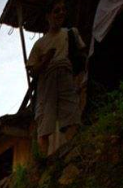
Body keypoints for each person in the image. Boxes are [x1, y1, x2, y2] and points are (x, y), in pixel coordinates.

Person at [27, 0, 86, 157]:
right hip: (47, 81)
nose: (61, 13)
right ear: (48, 16)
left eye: (63, 10)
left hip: (67, 75)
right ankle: (42, 163)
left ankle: (75, 155)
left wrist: (79, 77)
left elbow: (81, 56)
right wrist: (46, 60)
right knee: (45, 123)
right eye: (56, 10)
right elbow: (32, 70)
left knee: (71, 115)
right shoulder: (40, 44)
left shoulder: (70, 33)